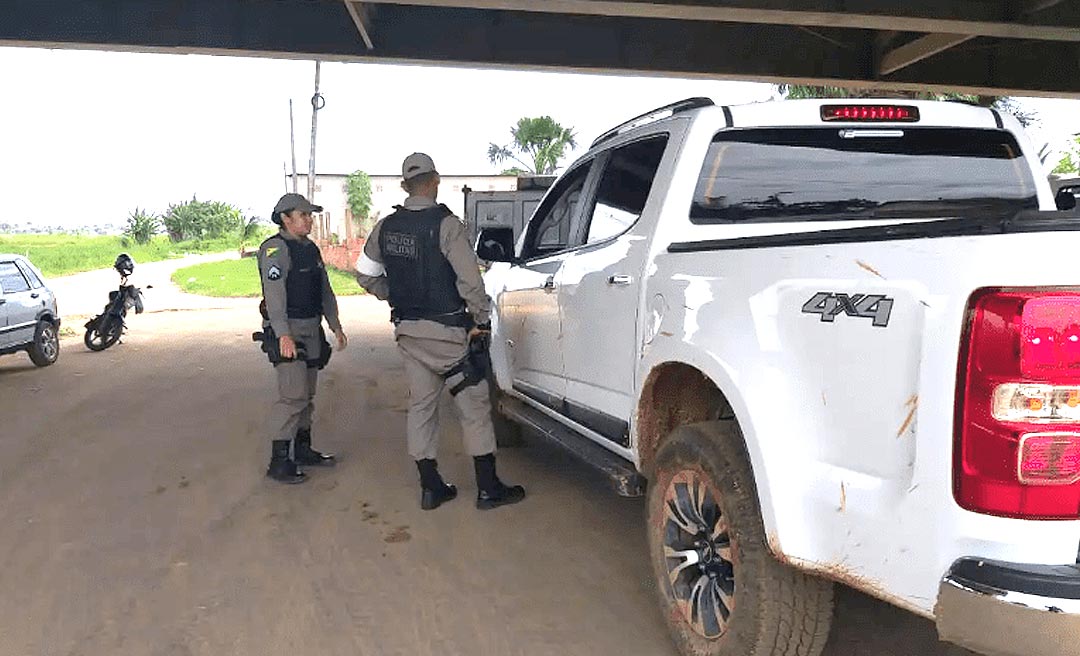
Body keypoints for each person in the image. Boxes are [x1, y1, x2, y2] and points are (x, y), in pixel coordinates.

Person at [355, 153, 525, 511]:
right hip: (448, 334)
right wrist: (481, 321)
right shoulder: (447, 225)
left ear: (404, 187)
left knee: (421, 404)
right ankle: (488, 488)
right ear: (435, 181)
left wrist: (394, 295)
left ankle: (431, 487)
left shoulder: (385, 227)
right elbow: (470, 280)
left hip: (409, 333)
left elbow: (365, 275)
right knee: (474, 405)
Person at [257, 192, 348, 484]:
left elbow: (324, 290)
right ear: (286, 219)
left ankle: (303, 449)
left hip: (312, 328)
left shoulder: (310, 249)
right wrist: (282, 334)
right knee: (292, 397)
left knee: (307, 395)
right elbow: (274, 297)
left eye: (310, 215)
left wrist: (335, 325)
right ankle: (279, 461)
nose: (309, 220)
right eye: (303, 215)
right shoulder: (275, 250)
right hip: (290, 331)